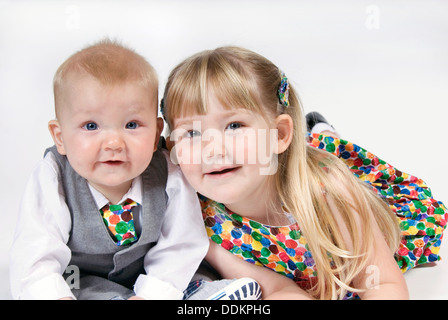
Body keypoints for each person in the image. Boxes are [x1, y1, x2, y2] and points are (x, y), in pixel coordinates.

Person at [160, 46, 447, 299]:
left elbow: (381, 282)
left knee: (329, 152)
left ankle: (321, 129)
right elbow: (278, 290)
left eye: (234, 126)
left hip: (324, 175)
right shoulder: (193, 218)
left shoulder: (328, 192)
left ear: (280, 134)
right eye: (192, 132)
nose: (212, 149)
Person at [9, 39, 257, 300]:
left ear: (156, 134)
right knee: (77, 287)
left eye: (132, 125)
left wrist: (153, 294)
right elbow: (36, 250)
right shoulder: (54, 175)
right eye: (91, 126)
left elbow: (182, 243)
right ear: (60, 137)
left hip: (153, 272)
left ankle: (206, 295)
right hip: (82, 277)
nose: (114, 143)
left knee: (190, 274)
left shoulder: (168, 170)